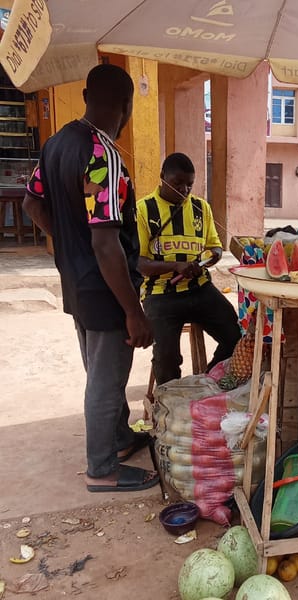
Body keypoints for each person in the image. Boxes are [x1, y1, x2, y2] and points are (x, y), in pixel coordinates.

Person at [23, 64, 158, 493]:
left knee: (100, 370)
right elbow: (107, 244)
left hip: (76, 280)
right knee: (106, 379)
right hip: (106, 288)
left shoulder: (56, 143)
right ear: (126, 106)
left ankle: (120, 440)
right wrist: (133, 312)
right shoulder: (104, 154)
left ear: (84, 95)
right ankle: (102, 470)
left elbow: (32, 204)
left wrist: (68, 243)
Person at [136, 152, 241, 385]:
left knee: (237, 338)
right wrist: (176, 266)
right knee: (166, 359)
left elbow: (215, 248)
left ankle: (204, 383)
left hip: (200, 290)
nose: (184, 191)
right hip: (161, 295)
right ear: (162, 177)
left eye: (189, 185)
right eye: (177, 184)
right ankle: (170, 404)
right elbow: (140, 264)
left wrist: (208, 259)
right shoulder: (143, 210)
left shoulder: (201, 208)